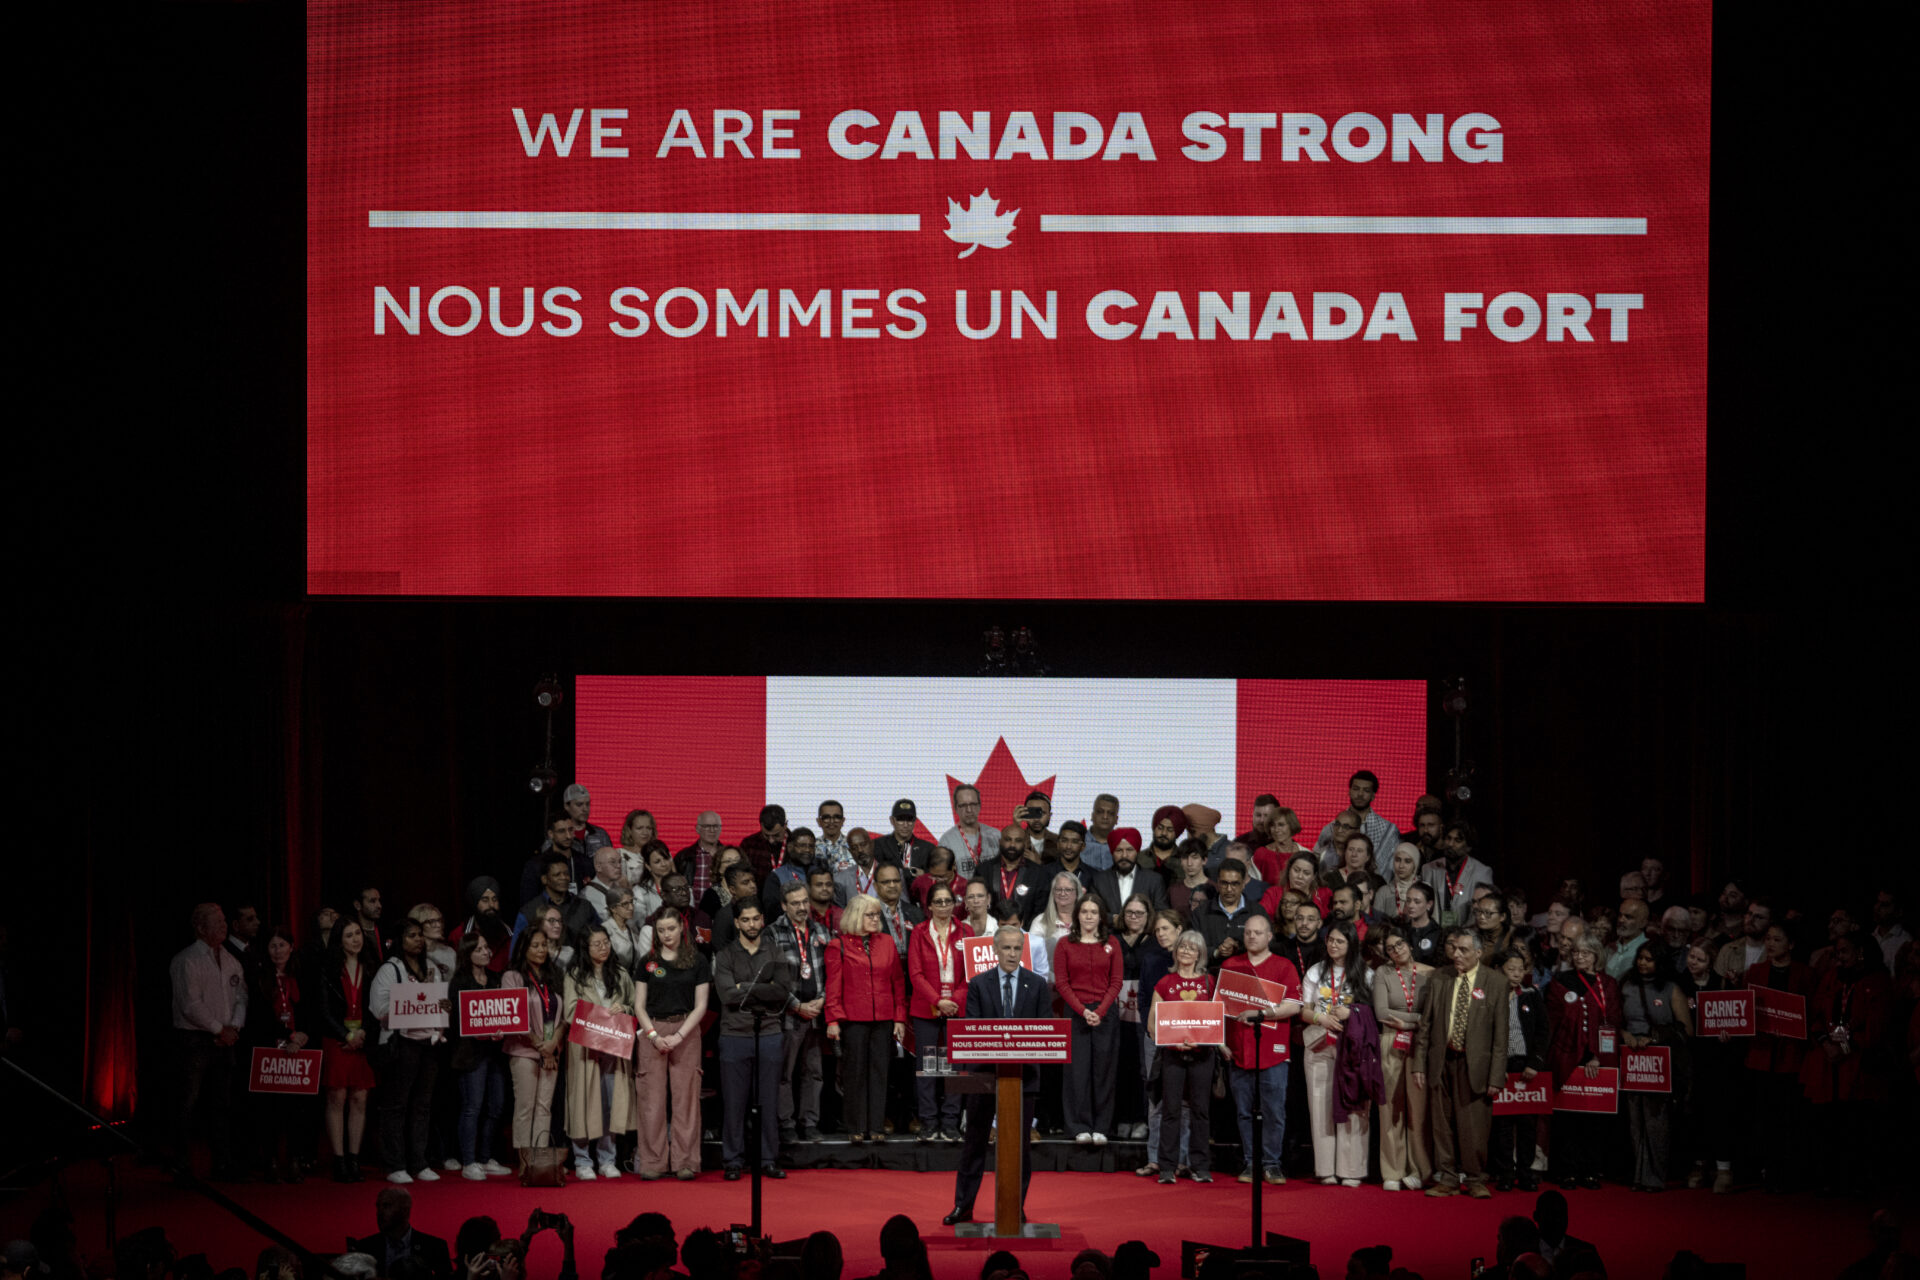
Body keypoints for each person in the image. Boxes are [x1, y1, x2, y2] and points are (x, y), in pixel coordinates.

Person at [946, 925, 1052, 1223]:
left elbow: (1046, 1028)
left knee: (1020, 1147)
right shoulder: (980, 984)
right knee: (974, 1142)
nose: (1012, 954)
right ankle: (963, 1206)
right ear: (994, 950)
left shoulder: (1037, 984)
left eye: (1017, 948)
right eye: (1006, 948)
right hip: (983, 1076)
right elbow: (973, 1028)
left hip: (1023, 1077)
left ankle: (1014, 1207)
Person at [1412, 928, 1509, 1199]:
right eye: (1454, 948)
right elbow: (1426, 1025)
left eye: (1464, 950)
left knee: (1474, 1127)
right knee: (1441, 1124)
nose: (1456, 954)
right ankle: (1448, 1179)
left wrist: (1496, 1076)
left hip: (1475, 1064)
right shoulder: (1440, 978)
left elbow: (1501, 1036)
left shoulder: (1496, 982)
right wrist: (1419, 1064)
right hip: (1442, 1060)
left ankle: (1476, 1179)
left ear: (1478, 952)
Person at [1802, 928, 1894, 1194]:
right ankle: (1829, 1178)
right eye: (1836, 952)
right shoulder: (1832, 977)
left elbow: (1877, 1026)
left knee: (1858, 1124)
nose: (1839, 958)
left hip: (1860, 1065)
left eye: (1844, 952)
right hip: (1828, 1063)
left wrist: (1843, 1046)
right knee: (1827, 1123)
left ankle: (1858, 1180)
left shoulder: (1878, 981)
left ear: (1861, 953)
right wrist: (1826, 1043)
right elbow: (1816, 1014)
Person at [714, 898, 795, 1179]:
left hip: (770, 1033)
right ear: (737, 923)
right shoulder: (725, 955)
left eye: (755, 919)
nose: (751, 924)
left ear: (762, 920)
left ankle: (768, 1159)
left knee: (768, 1102)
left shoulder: (774, 951)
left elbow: (782, 991)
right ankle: (733, 1161)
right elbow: (727, 995)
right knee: (734, 1104)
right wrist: (763, 987)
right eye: (745, 920)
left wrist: (744, 987)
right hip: (734, 1036)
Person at [1220, 914, 1302, 1185]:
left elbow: (1294, 1005)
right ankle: (1250, 1162)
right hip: (1238, 1051)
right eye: (1248, 933)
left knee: (1274, 1111)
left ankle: (1272, 1163)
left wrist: (1262, 1013)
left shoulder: (1283, 966)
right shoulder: (1231, 965)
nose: (1252, 936)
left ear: (1269, 936)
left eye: (1258, 932)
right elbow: (1220, 1008)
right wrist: (1220, 1042)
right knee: (1243, 1112)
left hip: (1273, 1052)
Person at [371, 917, 452, 1184]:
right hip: (401, 1043)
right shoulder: (390, 970)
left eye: (420, 935)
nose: (418, 940)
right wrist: (409, 1004)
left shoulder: (432, 967)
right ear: (399, 940)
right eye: (412, 935)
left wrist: (443, 1015)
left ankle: (419, 1162)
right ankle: (395, 1164)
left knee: (422, 1106)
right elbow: (379, 1009)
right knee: (396, 1105)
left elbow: (442, 1003)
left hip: (429, 1044)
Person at [633, 907, 711, 1179]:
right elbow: (638, 1006)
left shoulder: (697, 961)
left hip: (686, 1030)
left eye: (671, 929)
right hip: (653, 1029)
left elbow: (701, 1005)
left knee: (686, 1098)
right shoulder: (647, 962)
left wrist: (679, 1036)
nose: (666, 934)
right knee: (651, 1099)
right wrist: (654, 1036)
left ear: (681, 928)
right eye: (661, 930)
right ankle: (652, 1162)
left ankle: (685, 1161)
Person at [170, 903, 245, 1181]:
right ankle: (181, 1164)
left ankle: (222, 1163)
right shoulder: (187, 960)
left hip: (225, 1040)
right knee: (187, 1104)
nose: (224, 925)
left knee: (221, 1104)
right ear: (200, 928)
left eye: (224, 920)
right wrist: (218, 1029)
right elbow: (190, 1004)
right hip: (195, 1041)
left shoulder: (231, 960)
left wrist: (233, 1027)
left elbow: (241, 997)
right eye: (217, 921)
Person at [824, 893, 906, 1145]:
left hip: (883, 1018)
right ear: (856, 916)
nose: (875, 919)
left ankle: (876, 1125)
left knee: (880, 1073)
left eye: (876, 915)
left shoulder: (887, 942)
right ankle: (856, 1126)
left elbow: (898, 982)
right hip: (853, 1020)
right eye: (869, 915)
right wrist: (833, 1020)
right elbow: (833, 987)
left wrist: (899, 1018)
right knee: (855, 1073)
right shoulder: (837, 945)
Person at [1743, 920, 1814, 1193]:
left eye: (1777, 940)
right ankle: (1766, 1171)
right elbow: (1744, 1008)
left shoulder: (1805, 974)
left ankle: (1788, 1172)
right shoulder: (1755, 971)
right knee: (1763, 1115)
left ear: (1791, 944)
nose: (1770, 944)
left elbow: (1810, 1011)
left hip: (1791, 1055)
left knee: (1789, 1116)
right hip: (1761, 1053)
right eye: (1768, 939)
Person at [1544, 933, 1620, 1189]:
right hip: (1565, 1056)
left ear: (1596, 956)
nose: (1579, 957)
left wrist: (1598, 1056)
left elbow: (1613, 1021)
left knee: (1593, 1119)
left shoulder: (1607, 984)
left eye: (1585, 953)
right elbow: (1553, 1022)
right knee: (1566, 1119)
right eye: (1576, 952)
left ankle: (1590, 1169)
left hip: (1597, 1059)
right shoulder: (1560, 981)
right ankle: (1566, 1169)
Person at [562, 924, 637, 1179]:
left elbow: (633, 1005)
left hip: (614, 1048)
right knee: (584, 1102)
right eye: (597, 944)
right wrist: (601, 1014)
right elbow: (569, 1012)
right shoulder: (575, 975)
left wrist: (623, 1009)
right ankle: (582, 1160)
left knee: (610, 1103)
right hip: (586, 1049)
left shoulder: (620, 973)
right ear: (585, 947)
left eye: (606, 942)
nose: (603, 948)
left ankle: (607, 1159)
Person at [1301, 920, 1370, 1185]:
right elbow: (1304, 1011)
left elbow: (1374, 1013)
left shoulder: (1365, 973)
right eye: (1330, 940)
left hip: (1352, 1048)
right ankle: (1325, 1169)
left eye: (1340, 941)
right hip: (1320, 1043)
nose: (1333, 945)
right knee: (1320, 1106)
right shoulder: (1316, 971)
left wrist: (1351, 1013)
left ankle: (1351, 1170)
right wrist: (1320, 1018)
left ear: (1351, 944)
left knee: (1354, 1106)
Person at [242, 926, 314, 1183]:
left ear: (291, 947)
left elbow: (311, 1009)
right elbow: (258, 1017)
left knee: (297, 1110)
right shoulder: (259, 977)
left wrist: (302, 1035)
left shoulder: (302, 975)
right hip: (270, 1050)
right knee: (269, 1110)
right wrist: (289, 1036)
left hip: (299, 1052)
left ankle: (294, 1159)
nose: (277, 951)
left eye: (282, 945)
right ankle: (270, 1159)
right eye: (273, 946)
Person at [1055, 893, 1124, 1145]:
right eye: (1084, 912)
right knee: (1077, 1072)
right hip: (1076, 1013)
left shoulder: (1112, 943)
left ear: (1101, 916)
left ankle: (1102, 1126)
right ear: (1077, 915)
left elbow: (1116, 982)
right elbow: (1062, 983)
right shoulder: (1064, 944)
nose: (1089, 916)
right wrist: (1083, 1011)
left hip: (1105, 1013)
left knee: (1104, 1071)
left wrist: (1100, 1011)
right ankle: (1078, 1126)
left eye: (1094, 912)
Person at [1621, 941, 1690, 1191]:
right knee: (1634, 1121)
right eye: (1640, 957)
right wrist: (1624, 1034)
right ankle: (1638, 1176)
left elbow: (1687, 1029)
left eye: (1649, 959)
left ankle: (1654, 1178)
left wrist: (1655, 1038)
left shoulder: (1671, 988)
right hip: (1631, 1058)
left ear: (1659, 962)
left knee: (1656, 1121)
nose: (1642, 962)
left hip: (1660, 1060)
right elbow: (1613, 1018)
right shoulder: (1626, 984)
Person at [1149, 929, 1216, 1184]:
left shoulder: (1210, 982)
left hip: (1203, 1054)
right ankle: (1167, 1167)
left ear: (1200, 954)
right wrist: (1171, 1041)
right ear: (1175, 951)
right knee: (1171, 1110)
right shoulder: (1165, 982)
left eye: (1192, 947)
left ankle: (1200, 1166)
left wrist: (1202, 1040)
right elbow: (1152, 1023)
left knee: (1201, 1110)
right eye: (1182, 947)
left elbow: (1217, 1021)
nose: (1186, 951)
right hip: (1172, 1055)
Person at [1371, 927, 1432, 1191]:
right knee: (1390, 1109)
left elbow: (1433, 1014)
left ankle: (1419, 1170)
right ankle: (1392, 1171)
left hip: (1420, 1044)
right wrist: (1419, 1019)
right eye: (1390, 948)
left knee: (1418, 1110)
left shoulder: (1431, 973)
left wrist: (1410, 1023)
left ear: (1410, 944)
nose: (1396, 951)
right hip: (1390, 1041)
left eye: (1400, 944)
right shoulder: (1382, 973)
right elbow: (1382, 1012)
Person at [907, 882, 969, 1143]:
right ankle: (929, 1122)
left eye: (948, 901)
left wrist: (954, 999)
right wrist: (937, 1000)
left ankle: (951, 1122)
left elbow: (971, 974)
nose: (944, 906)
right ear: (929, 906)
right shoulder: (919, 932)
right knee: (927, 1068)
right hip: (926, 1008)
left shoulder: (966, 931)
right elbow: (915, 973)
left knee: (956, 1068)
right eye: (939, 901)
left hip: (957, 1007)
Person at [447, 933, 511, 1181]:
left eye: (486, 948)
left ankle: (485, 1158)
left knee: (496, 1105)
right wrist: (479, 1031)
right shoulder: (459, 982)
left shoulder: (496, 979)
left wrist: (501, 1029)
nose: (486, 952)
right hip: (470, 1054)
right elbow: (456, 1021)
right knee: (472, 1107)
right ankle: (468, 1161)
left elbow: (505, 1011)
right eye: (479, 949)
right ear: (468, 954)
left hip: (495, 1053)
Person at [1678, 938, 1740, 1193]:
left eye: (1700, 959)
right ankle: (1699, 1165)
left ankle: (1724, 1169)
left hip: (1718, 1061)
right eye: (1691, 956)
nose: (1693, 962)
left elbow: (1737, 1020)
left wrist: (1729, 1034)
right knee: (1695, 1114)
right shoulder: (1680, 984)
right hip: (1690, 1059)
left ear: (1711, 962)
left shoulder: (1723, 985)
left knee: (1720, 1114)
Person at [771, 883, 830, 1145]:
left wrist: (822, 999)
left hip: (816, 1013)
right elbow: (772, 978)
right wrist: (796, 1005)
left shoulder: (821, 930)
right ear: (784, 905)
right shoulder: (773, 933)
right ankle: (786, 1124)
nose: (802, 907)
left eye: (805, 901)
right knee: (784, 1073)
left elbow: (832, 971)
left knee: (814, 1072)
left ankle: (810, 1123)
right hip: (788, 1014)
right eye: (795, 903)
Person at [319, 917, 377, 1182]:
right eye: (349, 935)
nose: (356, 939)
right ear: (339, 941)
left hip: (362, 1040)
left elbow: (377, 1005)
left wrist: (363, 1033)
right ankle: (339, 1160)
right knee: (337, 1097)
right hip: (337, 1039)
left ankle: (354, 1158)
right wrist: (346, 1035)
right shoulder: (329, 969)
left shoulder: (371, 967)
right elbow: (323, 1011)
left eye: (358, 934)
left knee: (360, 1098)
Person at [1489, 948, 1548, 1193]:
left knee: (1527, 1124)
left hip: (1527, 1066)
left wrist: (1535, 1063)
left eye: (1520, 969)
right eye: (1510, 969)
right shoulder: (1490, 995)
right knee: (1502, 1125)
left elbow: (1543, 1031)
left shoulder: (1531, 995)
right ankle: (1505, 1173)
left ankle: (1526, 1172)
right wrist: (1496, 1067)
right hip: (1502, 1065)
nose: (1516, 973)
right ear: (1498, 970)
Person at [1134, 909, 1182, 1175]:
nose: (1161, 934)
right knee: (1155, 1099)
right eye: (1157, 930)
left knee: (1184, 1102)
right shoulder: (1151, 959)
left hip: (1185, 1039)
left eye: (1165, 929)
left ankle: (1181, 1159)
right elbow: (1143, 999)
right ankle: (1154, 1158)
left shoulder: (1192, 957)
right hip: (1154, 1036)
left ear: (1179, 929)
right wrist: (1150, 1028)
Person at [1112, 894, 1157, 1139]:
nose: (1134, 917)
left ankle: (1140, 1118)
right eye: (1129, 912)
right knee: (1121, 1065)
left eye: (1139, 913)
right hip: (1116, 1010)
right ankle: (1122, 1117)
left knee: (1142, 1067)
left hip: (1143, 1010)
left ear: (1148, 916)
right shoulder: (1113, 939)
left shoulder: (1154, 942)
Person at [349, 1186, 453, 1280]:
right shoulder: (364, 1247)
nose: (379, 1212)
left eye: (386, 1206)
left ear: (405, 1210)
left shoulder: (435, 1247)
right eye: (378, 1206)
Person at [1316, 772, 1401, 877]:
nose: (1360, 794)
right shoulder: (1331, 828)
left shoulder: (1388, 830)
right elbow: (1315, 860)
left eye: (1366, 790)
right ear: (1349, 792)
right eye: (1356, 789)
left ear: (1373, 796)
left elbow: (1394, 866)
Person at [1420, 822, 1494, 928]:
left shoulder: (1481, 872)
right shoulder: (1429, 869)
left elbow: (1485, 909)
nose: (1450, 844)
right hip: (1435, 932)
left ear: (1468, 847)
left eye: (1457, 840)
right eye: (1448, 838)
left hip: (1469, 932)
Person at [1195, 861, 1267, 969]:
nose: (1229, 889)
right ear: (1218, 883)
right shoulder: (1200, 913)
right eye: (1224, 883)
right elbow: (1193, 947)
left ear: (1243, 884)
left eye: (1235, 884)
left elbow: (1269, 944)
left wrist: (1238, 946)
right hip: (1210, 973)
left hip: (1249, 973)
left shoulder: (1257, 912)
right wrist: (1216, 952)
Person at [514, 851, 596, 946]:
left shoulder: (585, 907)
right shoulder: (529, 912)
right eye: (557, 875)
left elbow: (598, 937)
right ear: (544, 879)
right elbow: (517, 950)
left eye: (566, 874)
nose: (564, 877)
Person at [975, 823, 1050, 924]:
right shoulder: (983, 870)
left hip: (1025, 930)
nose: (1012, 845)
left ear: (1025, 844)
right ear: (1000, 842)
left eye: (1018, 840)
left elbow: (1040, 911)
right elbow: (978, 905)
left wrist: (1022, 929)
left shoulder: (1038, 873)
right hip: (991, 930)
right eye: (1008, 839)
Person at [1090, 827, 1167, 917]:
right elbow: (1093, 912)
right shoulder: (1099, 880)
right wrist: (1114, 919)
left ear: (1137, 851)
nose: (1124, 855)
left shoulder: (1154, 880)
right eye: (1119, 850)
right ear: (1112, 853)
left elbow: (1161, 913)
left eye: (1129, 850)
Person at [446, 878, 512, 974]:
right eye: (485, 900)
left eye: (495, 899)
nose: (491, 905)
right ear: (474, 903)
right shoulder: (458, 936)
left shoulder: (511, 935)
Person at [1028, 871, 1081, 983]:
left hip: (1081, 981)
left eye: (1068, 890)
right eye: (1058, 889)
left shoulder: (1086, 920)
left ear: (1077, 893)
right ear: (1053, 893)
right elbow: (1032, 957)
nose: (1062, 893)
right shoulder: (1040, 921)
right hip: (1049, 982)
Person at [940, 784, 999, 878]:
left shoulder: (996, 835)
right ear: (956, 808)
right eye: (963, 805)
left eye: (973, 804)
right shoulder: (946, 841)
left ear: (979, 806)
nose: (969, 810)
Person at [676, 812, 726, 901]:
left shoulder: (728, 855)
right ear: (697, 829)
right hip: (691, 908)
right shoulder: (684, 856)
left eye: (716, 826)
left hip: (724, 908)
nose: (712, 830)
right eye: (707, 826)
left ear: (721, 829)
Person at [874, 799, 936, 872]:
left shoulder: (928, 849)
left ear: (915, 821)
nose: (905, 825)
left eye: (909, 819)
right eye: (900, 819)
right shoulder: (878, 845)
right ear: (892, 820)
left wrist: (924, 875)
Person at [603, 888, 654, 975]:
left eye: (632, 902)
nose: (631, 907)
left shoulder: (632, 928)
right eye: (625, 904)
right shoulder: (605, 930)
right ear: (613, 908)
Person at [910, 842, 966, 912]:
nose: (938, 880)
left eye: (942, 876)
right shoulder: (920, 882)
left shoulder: (966, 887)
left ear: (953, 866)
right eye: (933, 876)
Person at [739, 804, 789, 882]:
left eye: (776, 835)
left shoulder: (796, 843)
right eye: (766, 835)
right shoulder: (749, 844)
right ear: (760, 825)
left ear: (785, 825)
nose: (771, 840)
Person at [1374, 843, 1423, 922]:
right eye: (1397, 860)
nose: (1401, 866)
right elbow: (1376, 924)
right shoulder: (1383, 892)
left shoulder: (1423, 890)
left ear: (1415, 864)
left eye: (1407, 861)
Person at [1605, 899, 1652, 981]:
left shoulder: (1650, 949)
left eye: (1628, 917)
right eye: (1620, 915)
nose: (1621, 920)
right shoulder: (1609, 947)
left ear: (1643, 923)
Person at [581, 846, 631, 922]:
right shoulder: (586, 895)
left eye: (620, 861)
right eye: (612, 862)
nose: (618, 866)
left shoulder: (622, 887)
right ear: (598, 867)